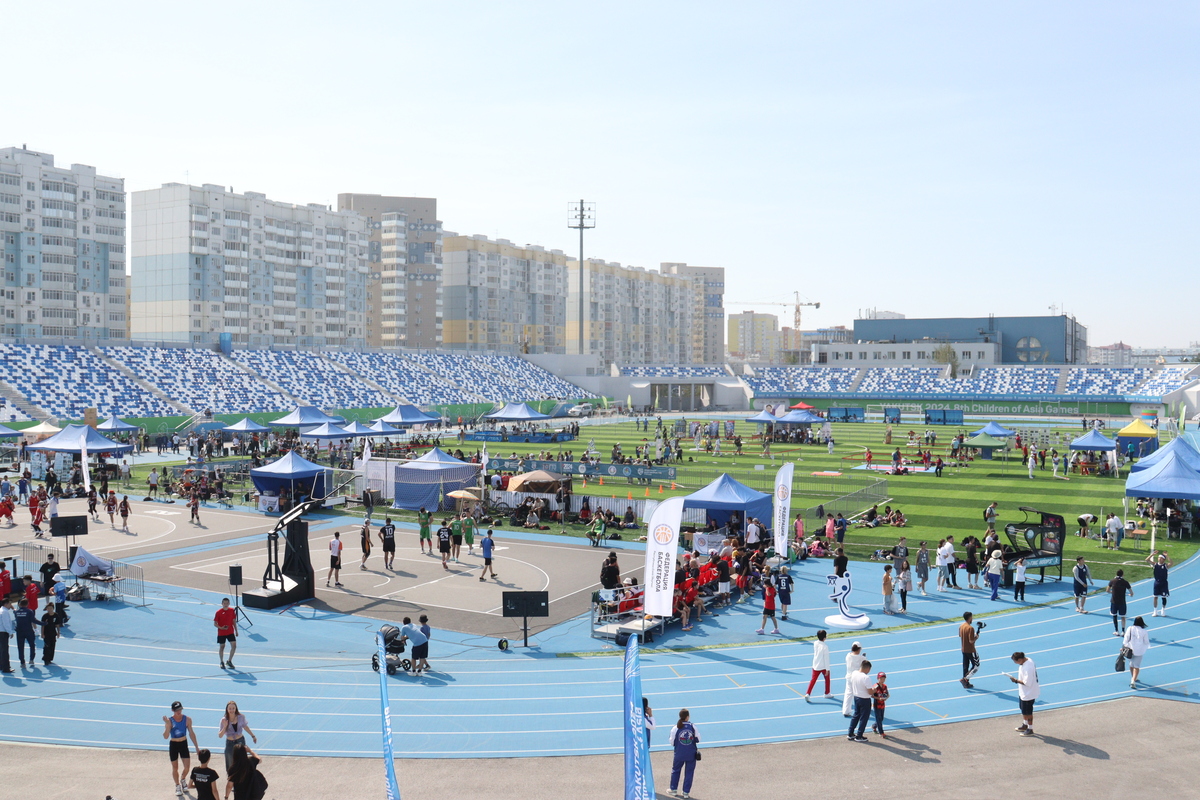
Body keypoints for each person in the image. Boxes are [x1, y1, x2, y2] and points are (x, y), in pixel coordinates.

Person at [162, 700, 201, 797]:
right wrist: (167, 725)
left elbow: (191, 733)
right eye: (176, 710)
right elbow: (166, 736)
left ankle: (183, 779)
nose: (178, 712)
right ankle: (177, 785)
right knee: (175, 767)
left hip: (183, 743)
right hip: (174, 744)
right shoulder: (170, 721)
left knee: (187, 767)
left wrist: (196, 747)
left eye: (180, 709)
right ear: (172, 710)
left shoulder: (187, 719)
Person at [668, 708, 700, 798]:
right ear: (687, 717)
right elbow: (698, 739)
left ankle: (673, 789)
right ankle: (686, 792)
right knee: (689, 772)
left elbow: (672, 742)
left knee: (675, 770)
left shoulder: (675, 728)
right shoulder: (693, 726)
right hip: (691, 754)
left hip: (679, 754)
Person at [217, 700, 257, 773]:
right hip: (230, 742)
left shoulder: (241, 717)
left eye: (233, 708)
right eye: (230, 708)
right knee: (230, 763)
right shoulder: (224, 720)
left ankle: (242, 778)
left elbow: (245, 727)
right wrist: (225, 726)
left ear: (236, 709)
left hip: (240, 741)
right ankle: (231, 780)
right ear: (227, 709)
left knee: (241, 761)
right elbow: (220, 735)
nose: (231, 710)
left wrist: (253, 736)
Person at [1008, 651, 1039, 736]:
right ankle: (1025, 725)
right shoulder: (1028, 660)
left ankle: (1030, 728)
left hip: (1029, 693)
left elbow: (1027, 683)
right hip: (1023, 692)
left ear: (1020, 659)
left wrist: (1016, 681)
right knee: (1023, 709)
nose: (1015, 663)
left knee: (1028, 712)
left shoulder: (1027, 667)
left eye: (1016, 661)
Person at [847, 658, 874, 742]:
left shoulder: (854, 673)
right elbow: (870, 692)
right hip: (865, 699)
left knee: (856, 715)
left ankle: (850, 733)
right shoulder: (866, 678)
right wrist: (875, 689)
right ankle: (859, 735)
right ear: (868, 668)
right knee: (864, 718)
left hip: (856, 697)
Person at [804, 629, 832, 701]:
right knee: (827, 679)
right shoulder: (825, 647)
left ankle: (808, 693)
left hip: (815, 665)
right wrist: (827, 669)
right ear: (824, 638)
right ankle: (827, 693)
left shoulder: (815, 643)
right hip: (823, 666)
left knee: (813, 680)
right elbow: (826, 659)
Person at [1123, 616, 1150, 689]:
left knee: (1131, 664)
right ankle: (1133, 680)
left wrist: (1124, 646)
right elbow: (1146, 642)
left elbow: (1126, 638)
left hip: (1130, 650)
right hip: (1139, 651)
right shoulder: (1144, 631)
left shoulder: (1130, 628)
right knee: (1136, 666)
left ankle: (1133, 677)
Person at [13, 598, 38, 668]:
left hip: (20, 632)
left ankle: (22, 662)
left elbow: (15, 614)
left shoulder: (16, 612)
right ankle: (31, 659)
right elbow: (34, 620)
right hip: (29, 631)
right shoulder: (29, 611)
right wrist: (44, 623)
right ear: (27, 604)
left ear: (19, 604)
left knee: (20, 647)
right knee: (32, 645)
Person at [1107, 569, 1133, 635]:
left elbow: (1107, 590)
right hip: (1122, 602)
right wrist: (1129, 594)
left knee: (1114, 616)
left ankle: (1116, 631)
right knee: (1123, 616)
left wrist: (1112, 592)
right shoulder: (1125, 582)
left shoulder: (1112, 581)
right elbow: (1131, 592)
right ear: (1122, 574)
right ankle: (1123, 631)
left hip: (1114, 601)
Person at [842, 641, 865, 716]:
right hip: (857, 678)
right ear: (859, 649)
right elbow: (864, 663)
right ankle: (862, 708)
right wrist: (864, 657)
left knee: (848, 694)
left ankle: (846, 710)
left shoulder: (848, 656)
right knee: (860, 693)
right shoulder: (860, 657)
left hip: (849, 677)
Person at [214, 597, 237, 669]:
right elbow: (215, 624)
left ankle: (229, 661)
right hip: (221, 633)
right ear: (222, 604)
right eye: (224, 603)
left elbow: (233, 621)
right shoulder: (218, 612)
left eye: (227, 603)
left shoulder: (232, 610)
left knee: (234, 646)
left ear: (229, 603)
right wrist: (221, 628)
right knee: (222, 647)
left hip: (230, 631)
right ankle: (221, 662)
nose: (226, 604)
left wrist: (236, 630)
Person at [1147, 551, 1172, 616]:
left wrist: (1167, 556)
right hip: (1157, 583)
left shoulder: (1165, 565)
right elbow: (1147, 560)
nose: (1159, 559)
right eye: (1159, 558)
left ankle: (1163, 610)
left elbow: (1171, 563)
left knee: (1163, 597)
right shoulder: (1155, 564)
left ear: (1164, 559)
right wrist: (1152, 554)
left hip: (1163, 583)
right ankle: (1155, 611)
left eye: (1161, 558)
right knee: (1155, 597)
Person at [959, 611, 979, 688]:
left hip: (964, 649)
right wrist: (976, 637)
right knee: (976, 665)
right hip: (971, 650)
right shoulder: (970, 628)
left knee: (965, 666)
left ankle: (966, 683)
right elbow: (971, 641)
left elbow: (961, 636)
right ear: (970, 618)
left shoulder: (961, 626)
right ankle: (965, 679)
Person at [40, 600, 60, 665]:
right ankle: (46, 659)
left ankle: (50, 658)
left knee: (52, 646)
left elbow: (57, 624)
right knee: (47, 646)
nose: (49, 610)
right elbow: (43, 626)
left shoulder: (56, 615)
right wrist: (42, 634)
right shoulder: (45, 616)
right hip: (46, 634)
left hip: (53, 633)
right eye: (48, 608)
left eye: (51, 608)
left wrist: (58, 632)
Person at [871, 670, 890, 738]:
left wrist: (886, 697)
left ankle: (874, 726)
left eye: (883, 678)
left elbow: (887, 694)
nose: (882, 680)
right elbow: (872, 695)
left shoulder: (885, 686)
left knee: (881, 718)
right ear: (878, 678)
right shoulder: (875, 686)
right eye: (881, 678)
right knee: (879, 719)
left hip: (882, 704)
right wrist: (879, 698)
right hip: (877, 704)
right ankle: (881, 732)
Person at [0, 597, 13, 673]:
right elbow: (6, 623)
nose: (10, 605)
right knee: (5, 650)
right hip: (3, 632)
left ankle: (1, 665)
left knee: (1, 650)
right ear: (6, 604)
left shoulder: (1, 610)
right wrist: (10, 632)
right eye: (10, 603)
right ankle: (6, 668)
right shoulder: (4, 612)